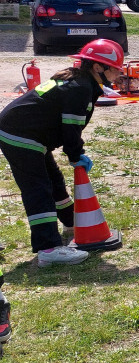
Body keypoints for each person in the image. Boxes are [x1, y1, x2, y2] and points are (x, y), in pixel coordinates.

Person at [0, 39, 125, 270]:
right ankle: (48, 249)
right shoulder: (80, 88)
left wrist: (75, 153)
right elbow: (71, 129)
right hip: (20, 135)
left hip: (28, 134)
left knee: (54, 181)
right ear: (98, 67)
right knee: (38, 189)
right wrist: (76, 155)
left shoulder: (79, 80)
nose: (119, 72)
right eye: (115, 68)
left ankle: (71, 224)